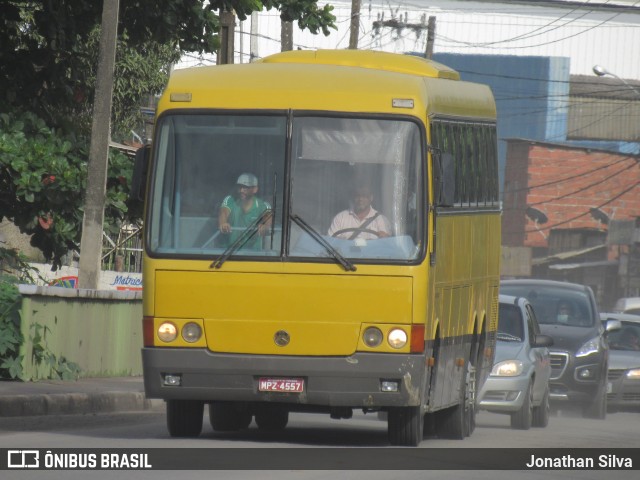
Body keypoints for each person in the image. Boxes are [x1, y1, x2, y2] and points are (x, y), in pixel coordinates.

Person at [218, 173, 271, 249]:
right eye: (240, 187)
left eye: (246, 187)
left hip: (253, 255)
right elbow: (223, 212)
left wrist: (265, 226)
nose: (241, 190)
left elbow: (268, 216)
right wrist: (223, 223)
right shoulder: (230, 200)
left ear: (255, 189)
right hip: (228, 253)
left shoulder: (262, 205)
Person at [328, 184, 392, 240]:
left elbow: (386, 245)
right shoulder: (340, 218)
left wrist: (385, 237)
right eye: (357, 196)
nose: (360, 199)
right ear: (353, 198)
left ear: (371, 198)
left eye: (364, 196)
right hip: (342, 254)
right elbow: (330, 242)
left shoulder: (381, 220)